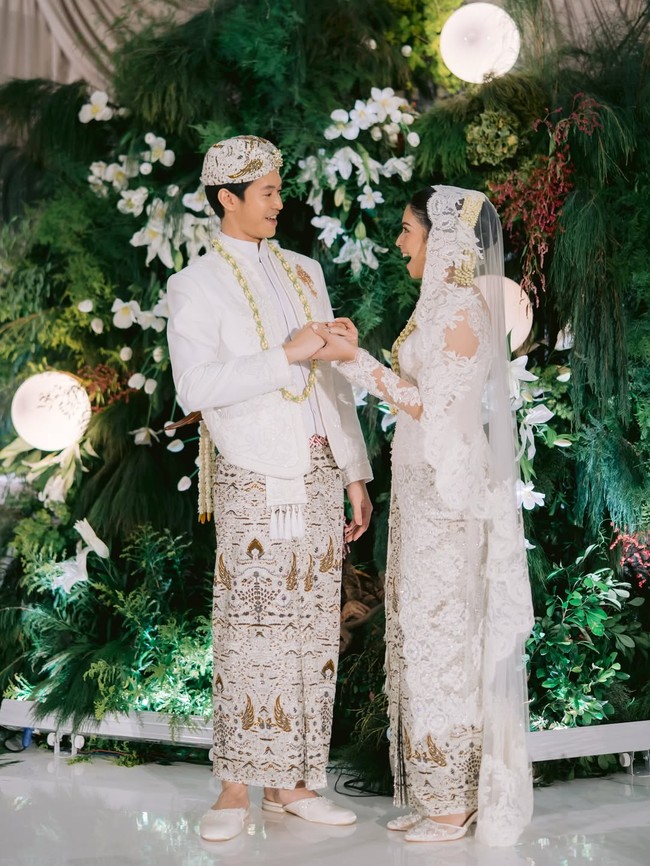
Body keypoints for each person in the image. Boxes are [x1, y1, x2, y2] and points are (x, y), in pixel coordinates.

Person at [166, 135, 373, 842]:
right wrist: (283, 354)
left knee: (312, 627)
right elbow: (194, 386)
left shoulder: (307, 271)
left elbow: (335, 378)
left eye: (280, 190)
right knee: (250, 628)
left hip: (316, 466)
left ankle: (294, 784)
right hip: (253, 469)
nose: (280, 203)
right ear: (227, 197)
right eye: (266, 192)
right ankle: (233, 787)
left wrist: (354, 469)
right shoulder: (195, 285)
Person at [314, 185, 534, 846]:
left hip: (448, 495)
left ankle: (456, 798)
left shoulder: (463, 310)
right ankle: (434, 787)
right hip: (420, 493)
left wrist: (352, 363)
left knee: (444, 641)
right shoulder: (432, 307)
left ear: (441, 239)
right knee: (416, 632)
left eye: (408, 231)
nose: (401, 242)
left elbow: (435, 408)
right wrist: (358, 356)